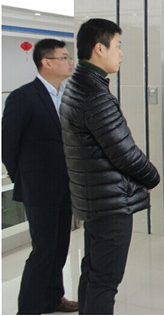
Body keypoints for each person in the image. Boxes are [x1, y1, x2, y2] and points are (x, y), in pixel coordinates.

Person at [60, 18, 161, 314]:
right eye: (118, 46)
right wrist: (152, 178)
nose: (121, 53)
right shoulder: (94, 93)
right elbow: (124, 152)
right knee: (105, 280)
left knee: (93, 273)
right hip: (110, 203)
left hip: (94, 197)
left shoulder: (77, 85)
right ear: (99, 48)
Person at [2, 39, 78, 314]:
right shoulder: (23, 97)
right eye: (64, 57)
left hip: (65, 186)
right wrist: (26, 180)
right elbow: (8, 147)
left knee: (59, 247)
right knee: (43, 250)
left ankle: (53, 298)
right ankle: (29, 308)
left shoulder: (65, 96)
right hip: (39, 189)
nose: (70, 62)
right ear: (47, 62)